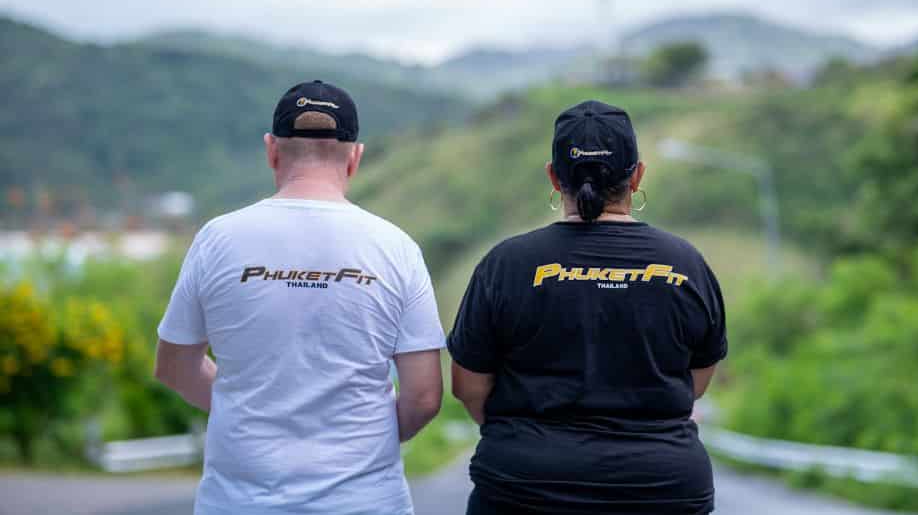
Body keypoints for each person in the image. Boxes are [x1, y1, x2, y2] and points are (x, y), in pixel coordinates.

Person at [154, 80, 446, 515]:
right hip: (365, 502)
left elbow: (174, 366)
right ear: (355, 158)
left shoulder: (218, 239)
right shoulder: (396, 247)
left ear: (272, 150)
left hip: (238, 503)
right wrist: (368, 438)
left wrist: (247, 407)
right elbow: (424, 396)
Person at [448, 100, 727, 515]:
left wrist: (526, 440)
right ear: (637, 175)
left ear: (553, 175)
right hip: (662, 489)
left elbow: (467, 387)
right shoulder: (687, 264)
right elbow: (696, 384)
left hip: (524, 487)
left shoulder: (505, 264)